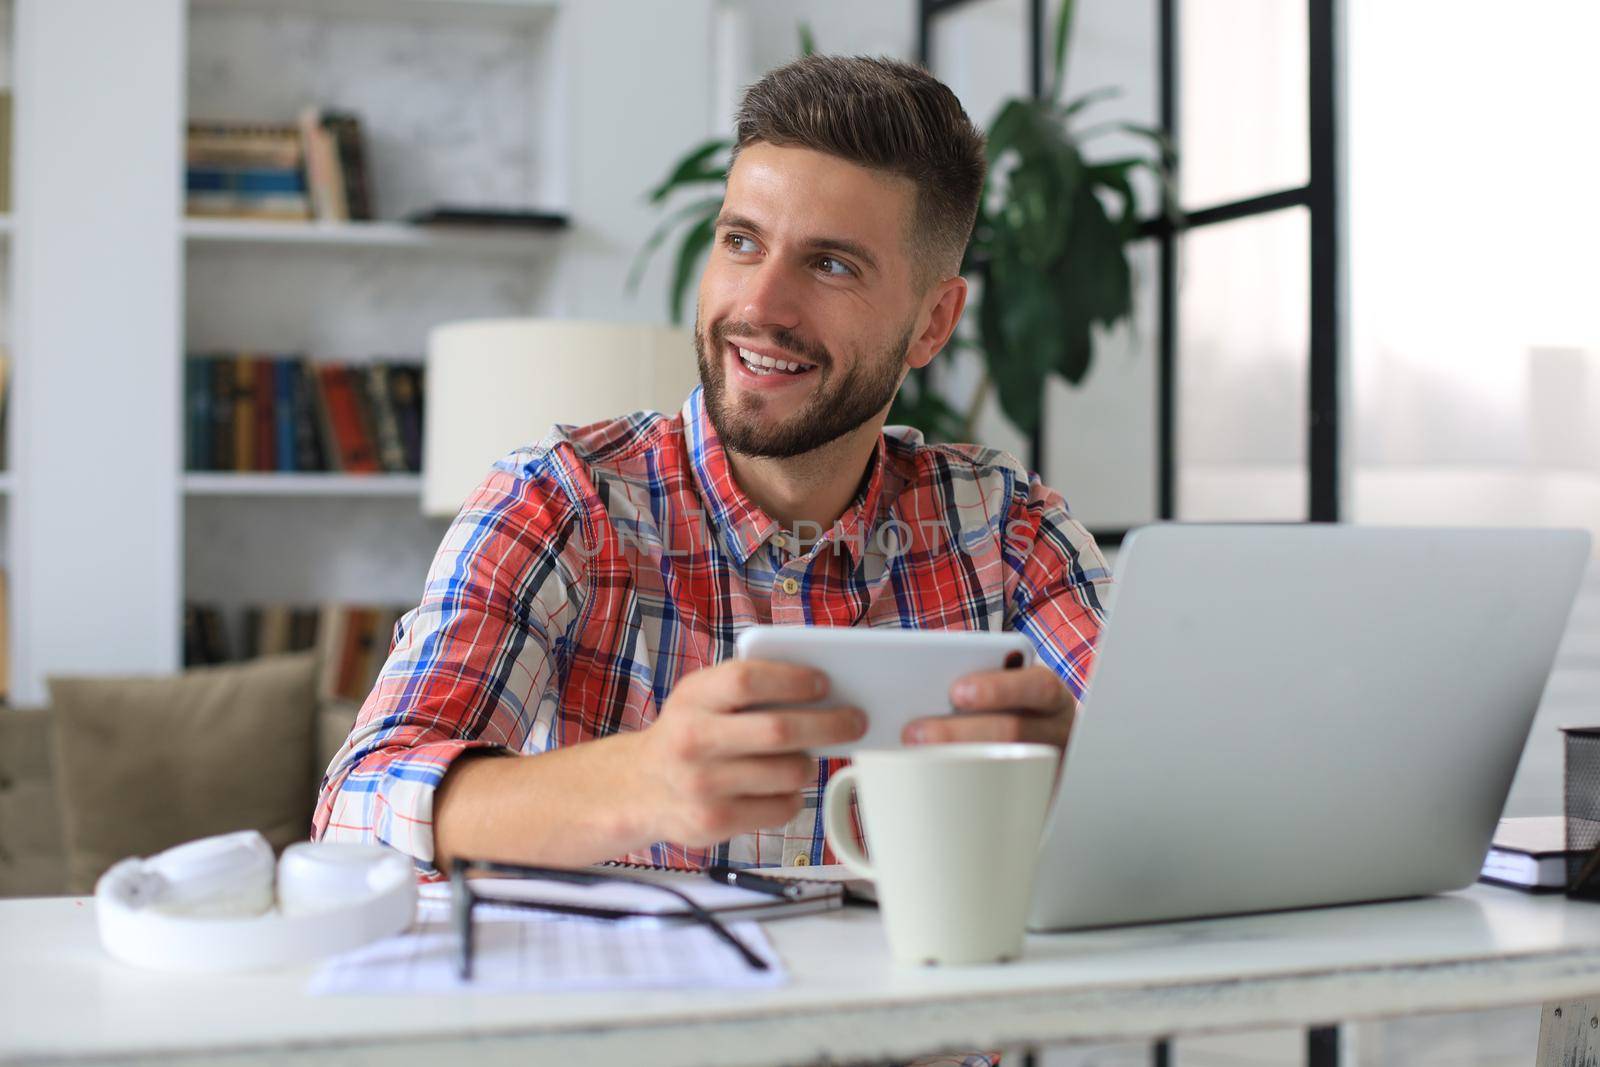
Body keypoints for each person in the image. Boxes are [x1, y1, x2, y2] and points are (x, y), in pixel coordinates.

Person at [313, 55, 1110, 880]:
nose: (760, 307)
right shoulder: (562, 500)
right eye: (741, 242)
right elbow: (354, 815)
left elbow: (1195, 786)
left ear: (931, 322)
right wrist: (636, 784)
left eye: (832, 264)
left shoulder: (1005, 528)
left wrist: (1088, 767)